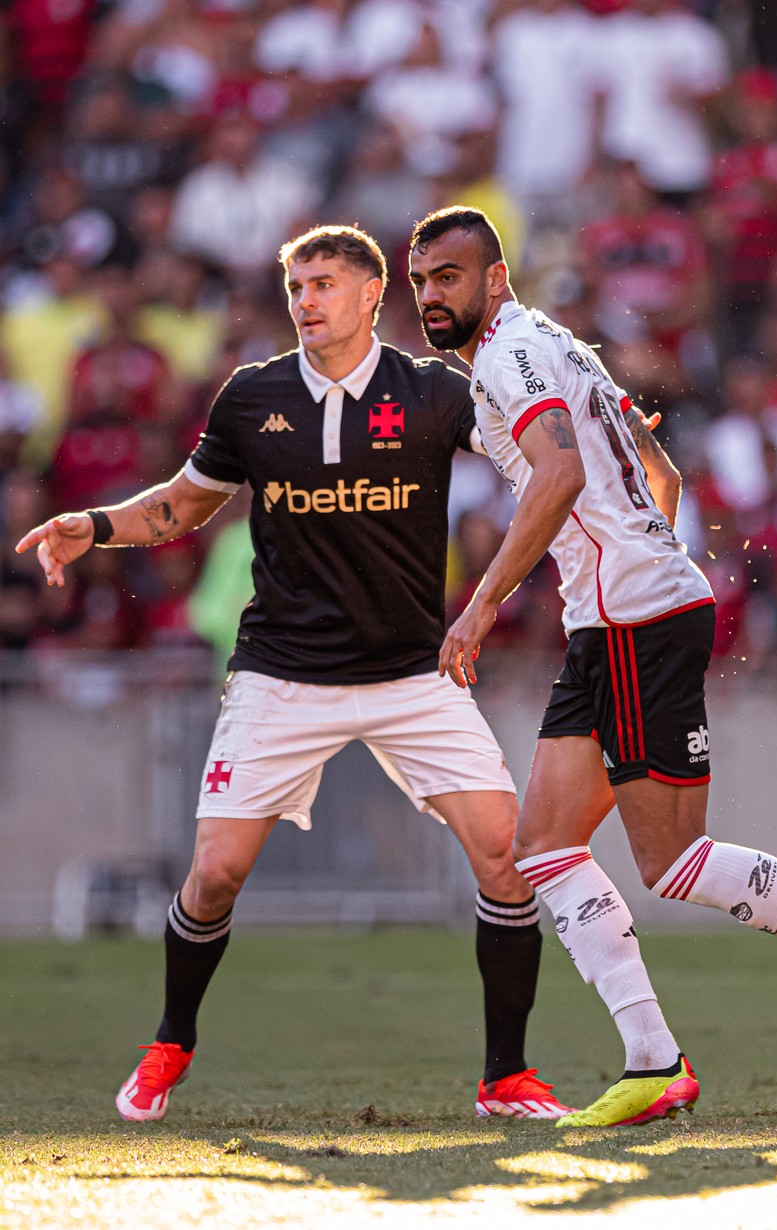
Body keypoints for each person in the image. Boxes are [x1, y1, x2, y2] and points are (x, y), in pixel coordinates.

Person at [407, 206, 777, 1128]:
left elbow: (559, 478)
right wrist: (639, 551)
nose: (432, 296)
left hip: (633, 616)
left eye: (451, 277)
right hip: (618, 613)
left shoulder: (511, 355)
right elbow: (657, 472)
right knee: (540, 845)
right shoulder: (558, 346)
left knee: (672, 860)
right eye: (422, 281)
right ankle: (653, 1060)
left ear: (495, 281)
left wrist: (482, 601)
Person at [16, 224, 571, 1124]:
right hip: (282, 676)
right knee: (216, 875)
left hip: (410, 675)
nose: (306, 301)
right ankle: (170, 1043)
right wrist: (98, 524)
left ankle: (504, 1077)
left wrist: (605, 447)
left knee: (509, 860)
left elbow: (537, 465)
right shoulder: (252, 396)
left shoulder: (432, 391)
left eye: (323, 284)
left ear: (367, 294)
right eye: (296, 286)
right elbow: (183, 506)